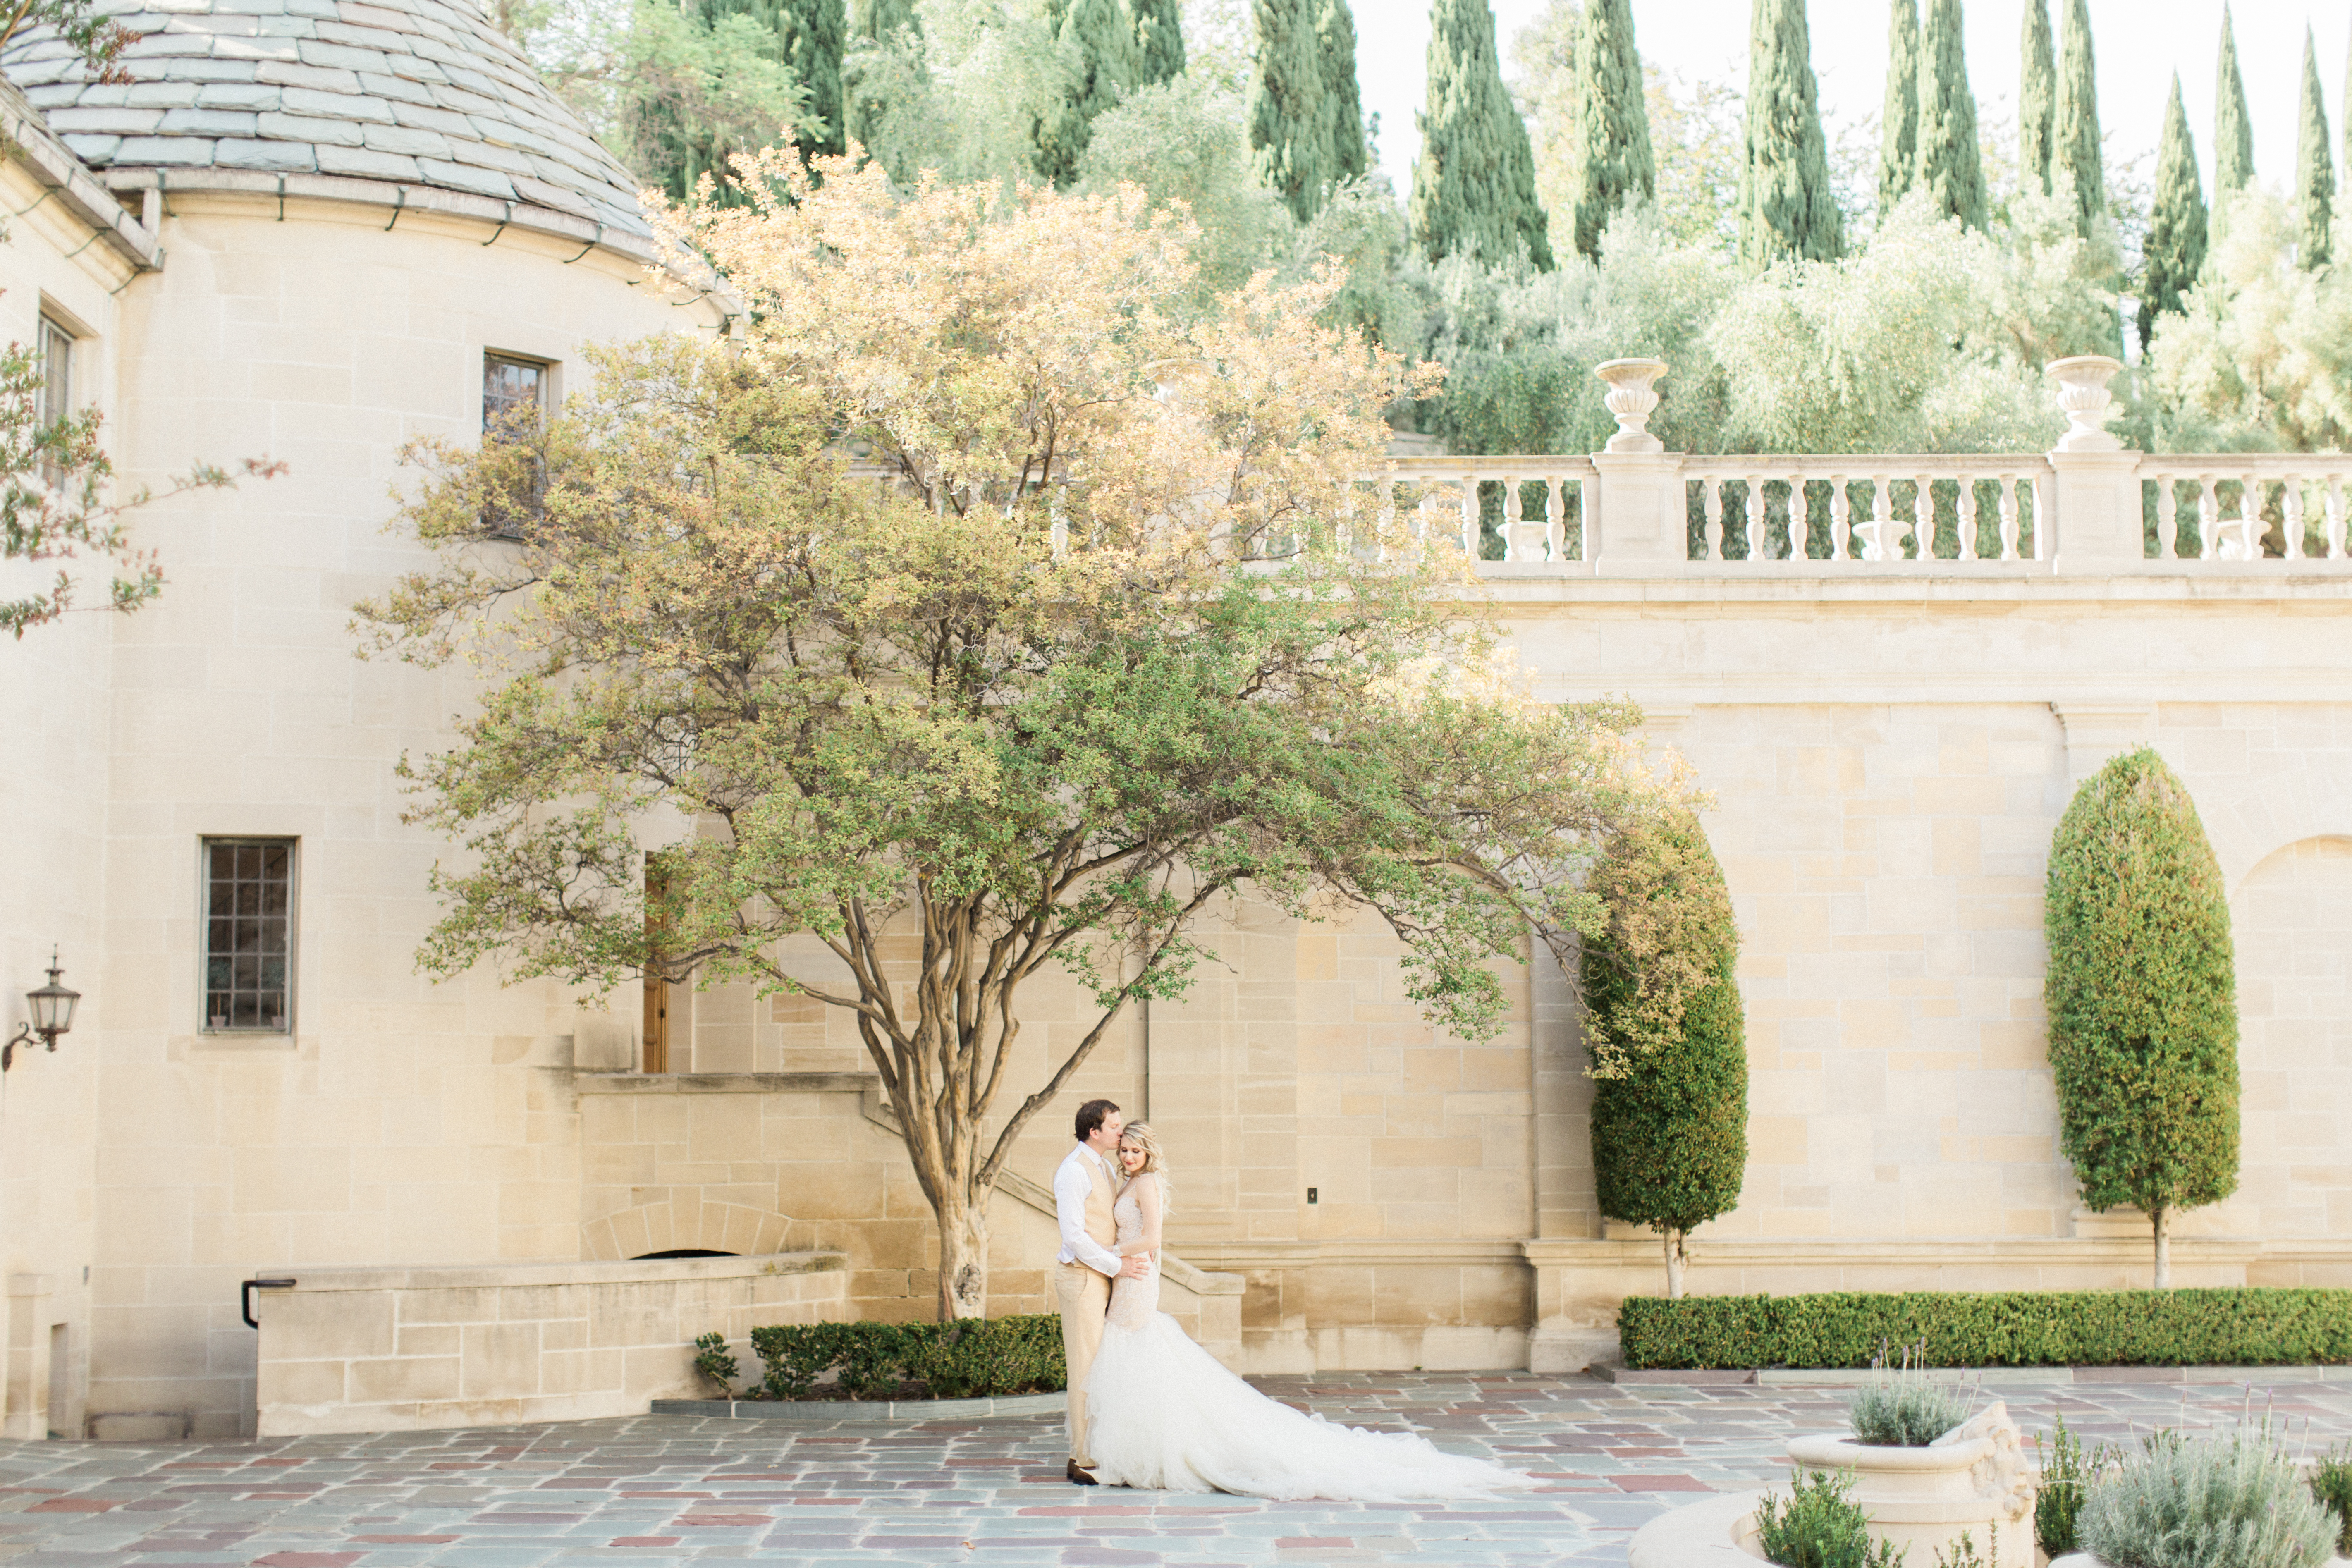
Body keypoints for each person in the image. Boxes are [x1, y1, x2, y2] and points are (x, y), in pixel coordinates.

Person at [1083, 1123, 1537, 1501]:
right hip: (1127, 1277)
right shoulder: (1126, 1181)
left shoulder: (1145, 1184)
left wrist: (1107, 1250)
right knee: (1137, 1359)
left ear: (1149, 1153)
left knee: (1135, 1352)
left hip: (1136, 1279)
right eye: (1124, 1150)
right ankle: (1136, 1448)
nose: (1128, 1156)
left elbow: (1155, 1239)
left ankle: (1146, 1452)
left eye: (1136, 1150)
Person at [1053, 1097, 1149, 1486]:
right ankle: (1084, 1458)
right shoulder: (1073, 1172)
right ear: (1094, 1131)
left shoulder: (1105, 1167)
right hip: (1082, 1278)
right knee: (1085, 1370)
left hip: (1103, 1276)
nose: (1120, 1133)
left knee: (1102, 1366)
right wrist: (1118, 1264)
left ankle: (1093, 1449)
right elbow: (1074, 1236)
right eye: (1114, 1127)